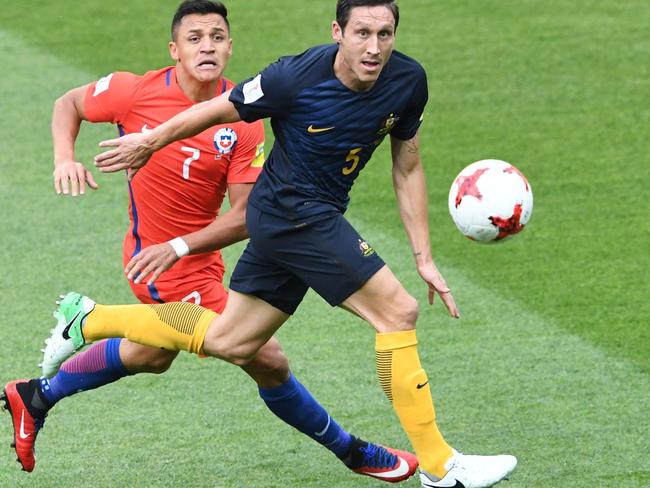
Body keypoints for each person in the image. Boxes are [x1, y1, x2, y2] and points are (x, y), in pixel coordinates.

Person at [38, 0, 518, 486]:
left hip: (290, 216)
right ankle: (440, 466)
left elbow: (407, 164)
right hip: (295, 214)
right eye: (362, 33)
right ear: (338, 32)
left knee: (232, 340)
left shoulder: (409, 81)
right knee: (397, 312)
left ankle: (89, 318)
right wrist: (151, 140)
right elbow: (213, 111)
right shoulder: (292, 77)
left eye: (385, 34)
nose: (374, 47)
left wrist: (425, 256)